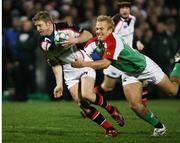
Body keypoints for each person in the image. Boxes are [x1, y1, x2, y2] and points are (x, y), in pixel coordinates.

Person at [72, 15, 180, 136]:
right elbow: (83, 55)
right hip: (129, 73)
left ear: (110, 30)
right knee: (134, 105)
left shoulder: (114, 40)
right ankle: (159, 127)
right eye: (97, 28)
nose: (98, 31)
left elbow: (105, 64)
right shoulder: (93, 42)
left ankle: (178, 63)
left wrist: (82, 64)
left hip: (145, 67)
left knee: (173, 91)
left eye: (102, 29)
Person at [32, 11, 124, 137]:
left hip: (83, 62)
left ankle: (111, 110)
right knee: (83, 105)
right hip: (69, 72)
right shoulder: (43, 44)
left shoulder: (64, 27)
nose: (38, 29)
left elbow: (88, 34)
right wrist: (59, 84)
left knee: (87, 95)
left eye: (39, 25)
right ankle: (109, 129)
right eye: (36, 26)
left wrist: (74, 40)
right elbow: (55, 63)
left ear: (48, 23)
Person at [94, 0, 147, 107]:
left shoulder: (133, 19)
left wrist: (137, 41)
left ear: (130, 9)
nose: (125, 10)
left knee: (144, 77)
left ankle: (143, 104)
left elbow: (131, 33)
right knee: (107, 87)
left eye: (127, 7)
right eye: (122, 8)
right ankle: (87, 99)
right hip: (115, 58)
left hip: (128, 56)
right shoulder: (114, 21)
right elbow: (103, 35)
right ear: (119, 10)